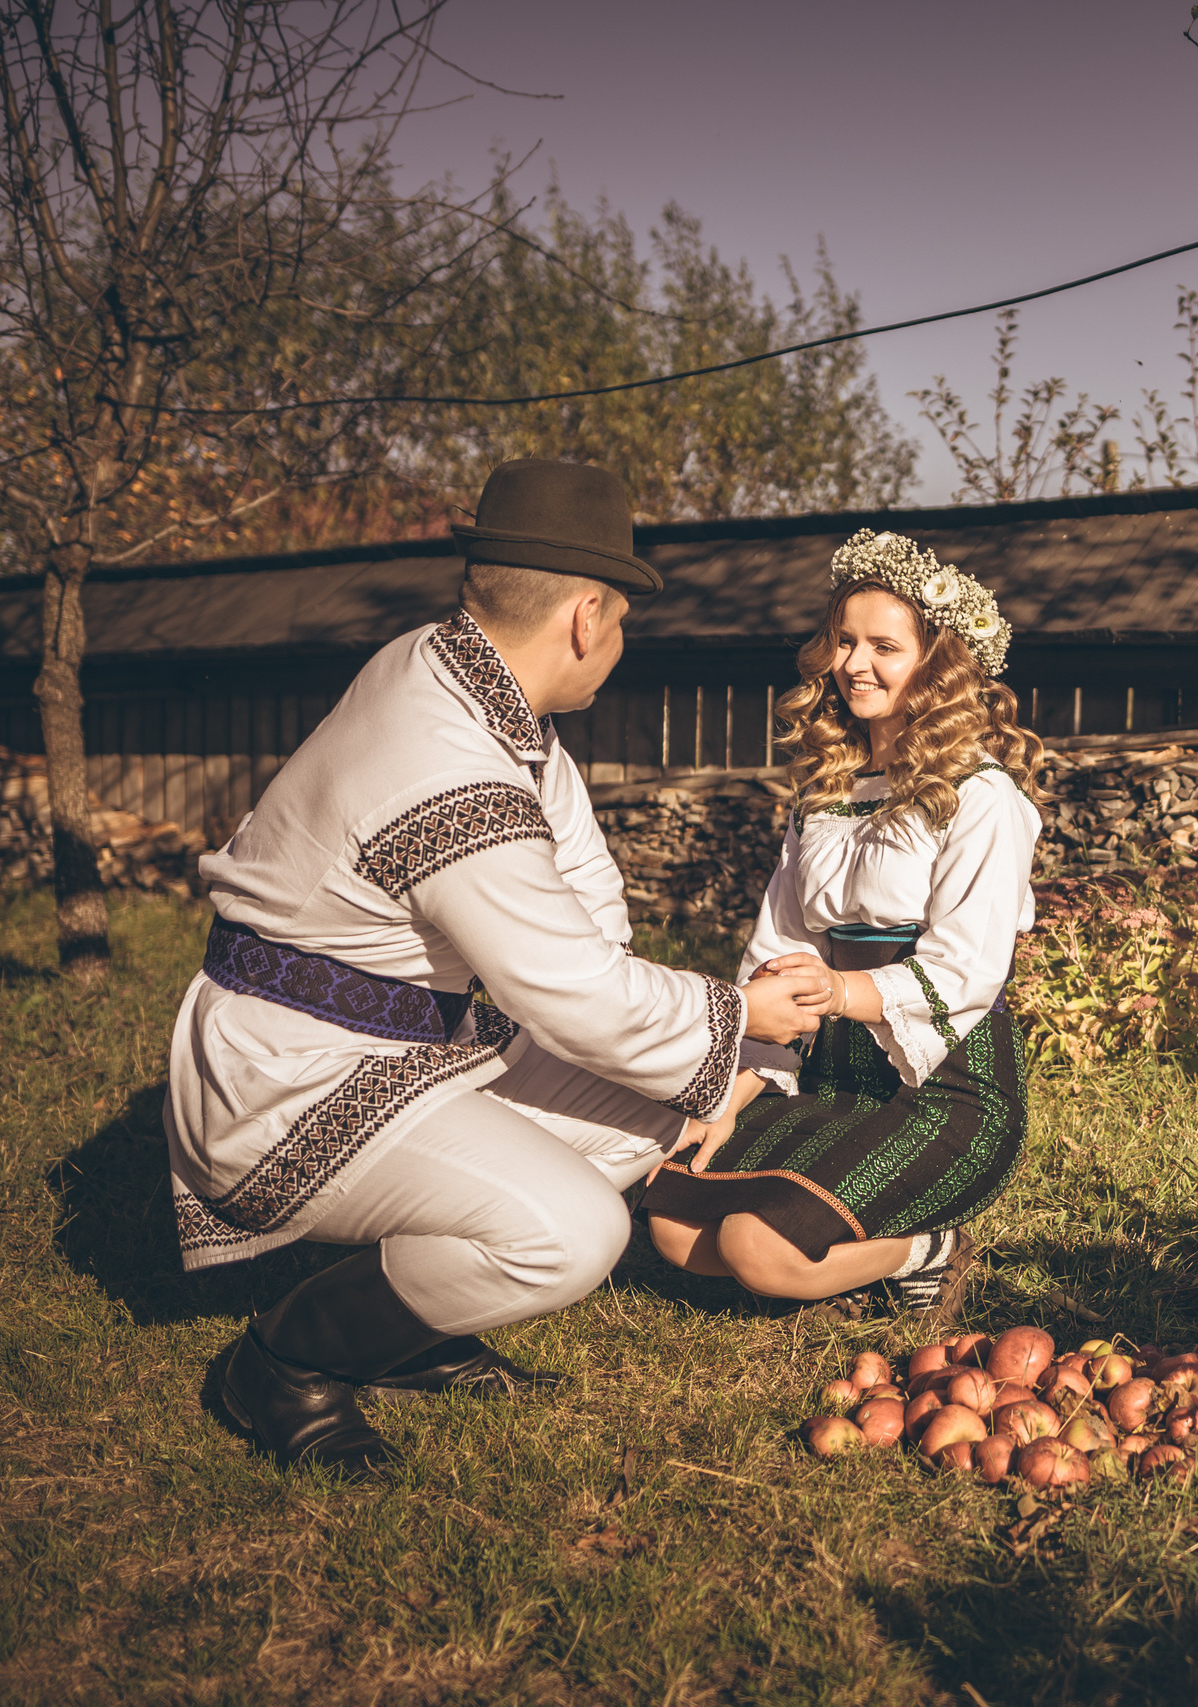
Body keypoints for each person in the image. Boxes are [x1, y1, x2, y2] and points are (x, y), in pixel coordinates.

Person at [165, 458, 827, 1478]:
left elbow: (583, 912)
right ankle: (283, 1360)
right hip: (288, 1075)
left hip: (397, 1048)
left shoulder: (463, 679)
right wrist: (744, 1017)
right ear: (585, 614)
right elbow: (566, 990)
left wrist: (688, 1055)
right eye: (621, 619)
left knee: (651, 1113)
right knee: (569, 1234)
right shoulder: (446, 761)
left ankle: (406, 1328)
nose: (618, 642)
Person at [639, 528, 1045, 1317]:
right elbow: (775, 958)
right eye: (843, 641)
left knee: (758, 1248)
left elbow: (965, 972)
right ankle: (842, 1232)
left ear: (936, 661)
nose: (854, 664)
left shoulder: (982, 796)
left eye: (884, 646)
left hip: (943, 1083)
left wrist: (835, 988)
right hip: (832, 1072)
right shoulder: (825, 794)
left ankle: (928, 1248)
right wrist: (733, 1090)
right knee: (675, 1231)